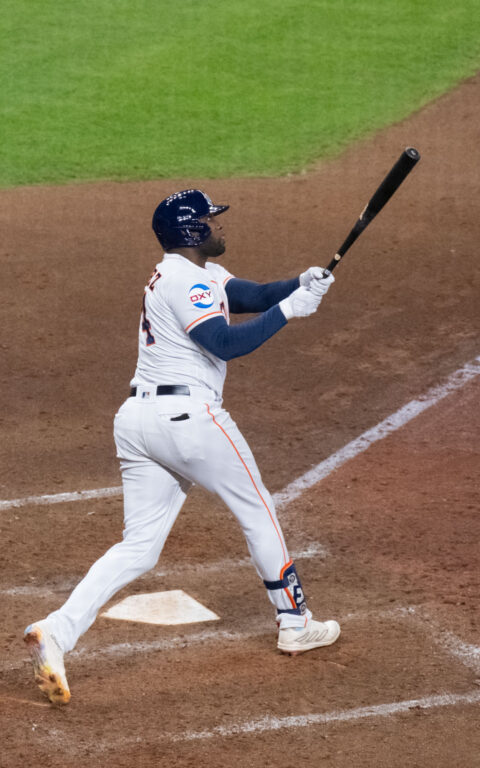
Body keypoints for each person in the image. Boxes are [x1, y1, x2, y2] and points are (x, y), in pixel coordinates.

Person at [24, 189, 341, 705]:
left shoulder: (188, 273)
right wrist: (291, 311)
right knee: (258, 509)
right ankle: (294, 621)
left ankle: (57, 631)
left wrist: (298, 284)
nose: (220, 226)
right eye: (212, 220)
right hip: (188, 422)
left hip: (138, 423)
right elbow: (225, 344)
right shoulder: (189, 280)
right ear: (193, 232)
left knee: (138, 548)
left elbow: (249, 294)